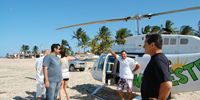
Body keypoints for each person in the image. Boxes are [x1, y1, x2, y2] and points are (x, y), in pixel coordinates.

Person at [141, 33, 172, 100]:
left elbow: (167, 85)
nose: (143, 47)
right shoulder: (159, 58)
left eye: (145, 44)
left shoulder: (158, 60)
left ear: (152, 45)